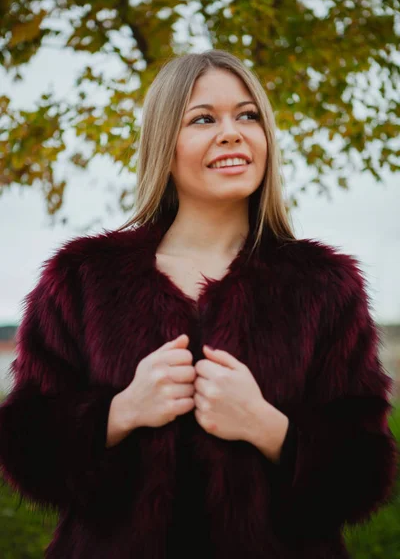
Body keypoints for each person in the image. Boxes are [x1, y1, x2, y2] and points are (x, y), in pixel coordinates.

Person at [0, 49, 397, 559]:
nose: (231, 132)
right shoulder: (83, 278)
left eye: (248, 115)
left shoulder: (323, 285)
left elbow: (364, 471)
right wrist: (118, 414)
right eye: (203, 118)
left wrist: (265, 426)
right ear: (164, 144)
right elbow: (26, 444)